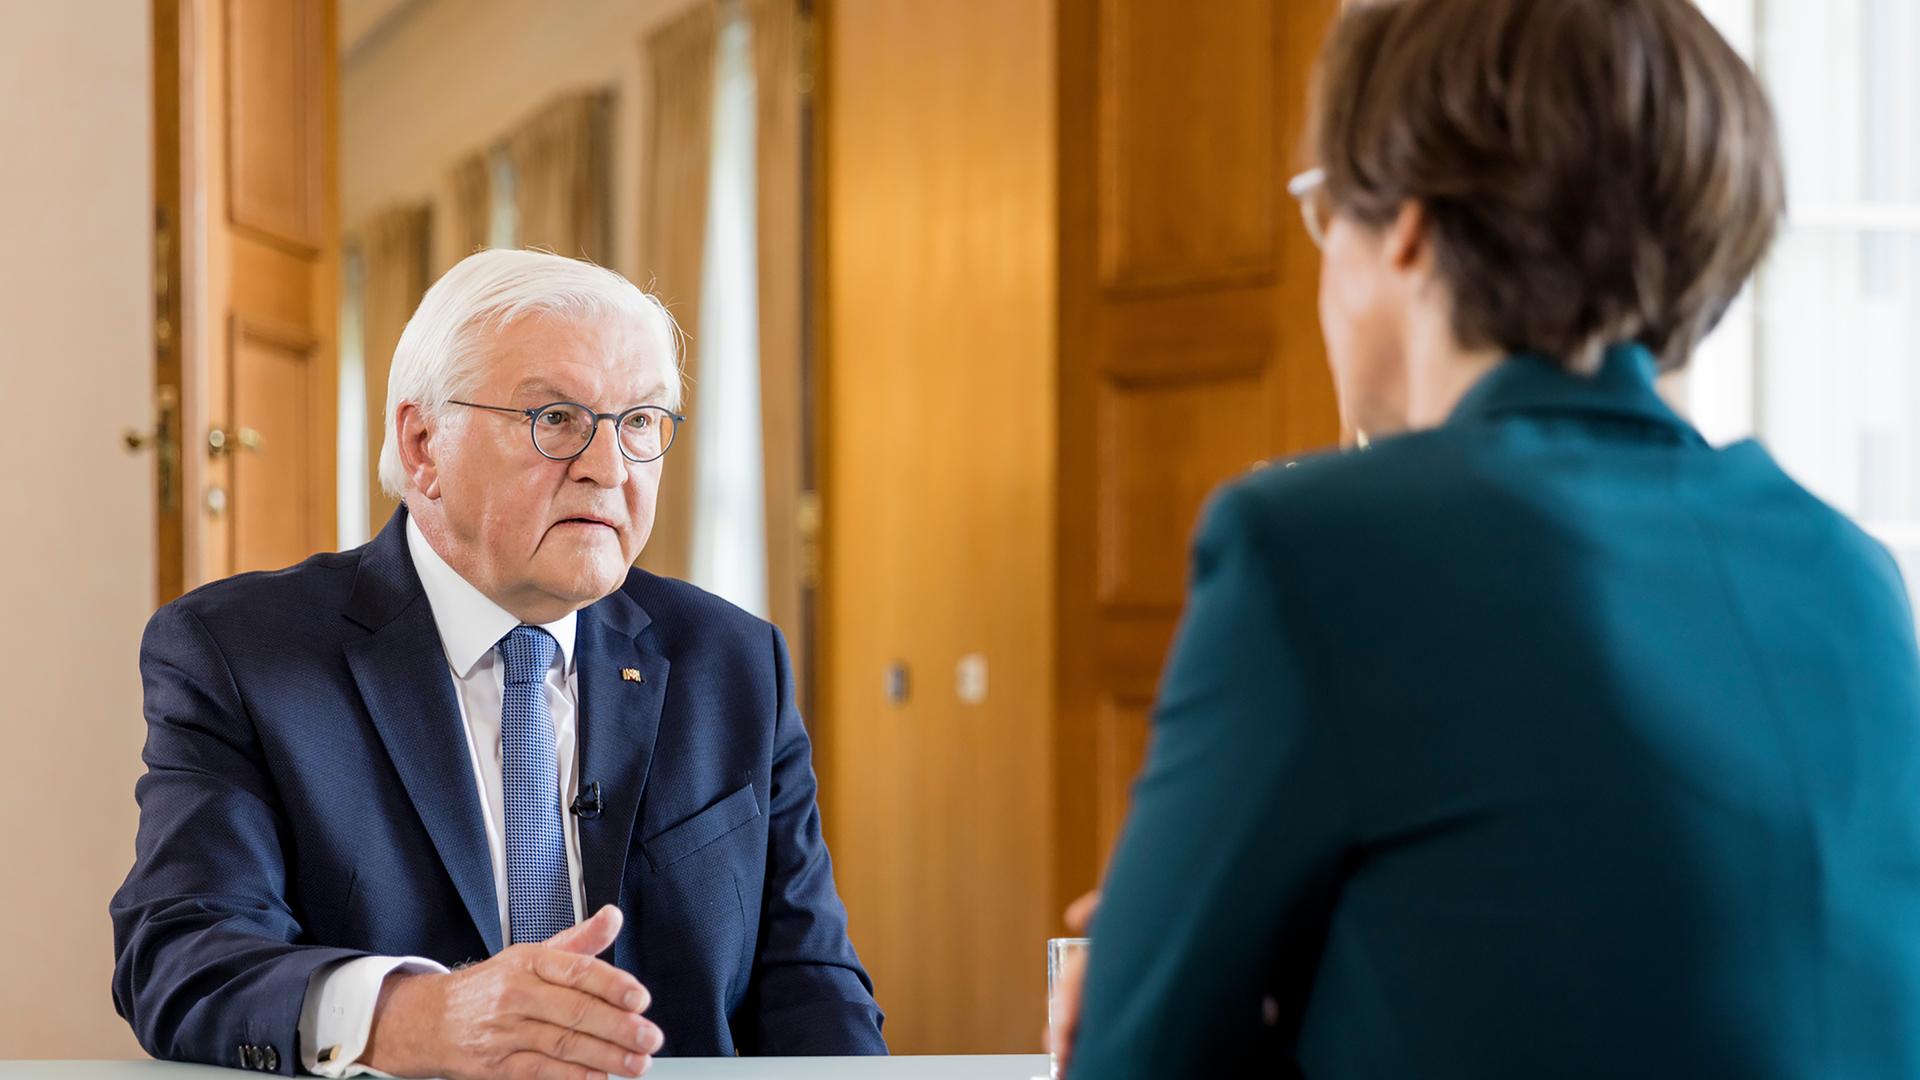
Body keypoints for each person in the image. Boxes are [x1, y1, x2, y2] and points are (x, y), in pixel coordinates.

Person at [1061, 0, 1920, 1076]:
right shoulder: (1852, 580)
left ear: (1409, 228)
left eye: (1327, 214)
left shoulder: (1316, 548)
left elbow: (1130, 1057)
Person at [111, 249, 886, 1077]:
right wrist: (416, 1019)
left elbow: (809, 980)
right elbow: (180, 956)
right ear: (422, 447)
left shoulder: (732, 663)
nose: (610, 467)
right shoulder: (241, 652)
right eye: (556, 418)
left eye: (639, 422)